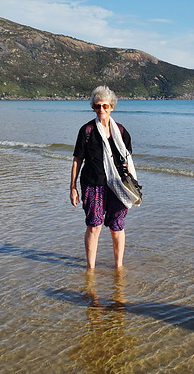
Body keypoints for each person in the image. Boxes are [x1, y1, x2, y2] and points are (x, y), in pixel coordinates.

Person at [70, 86, 139, 270]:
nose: (101, 110)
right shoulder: (87, 131)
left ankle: (118, 267)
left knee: (117, 226)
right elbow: (77, 159)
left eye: (105, 106)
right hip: (93, 185)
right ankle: (90, 268)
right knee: (94, 226)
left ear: (112, 107)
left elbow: (128, 158)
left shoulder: (121, 131)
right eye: (98, 106)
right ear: (93, 107)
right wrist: (73, 187)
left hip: (118, 186)